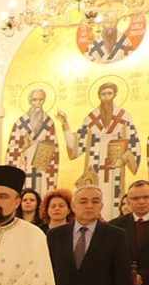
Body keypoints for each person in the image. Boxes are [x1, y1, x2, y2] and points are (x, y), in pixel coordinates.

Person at [58, 81, 141, 219]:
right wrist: (65, 124)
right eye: (103, 94)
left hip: (115, 170)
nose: (107, 97)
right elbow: (77, 147)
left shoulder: (124, 117)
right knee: (93, 198)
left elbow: (133, 143)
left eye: (109, 94)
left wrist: (123, 159)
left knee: (114, 200)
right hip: (94, 169)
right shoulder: (91, 119)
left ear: (115, 95)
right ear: (99, 96)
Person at [6, 88, 60, 196]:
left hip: (41, 165)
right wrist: (23, 147)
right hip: (24, 163)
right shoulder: (20, 123)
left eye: (41, 100)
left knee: (40, 187)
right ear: (30, 101)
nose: (38, 103)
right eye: (35, 100)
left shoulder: (48, 122)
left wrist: (39, 151)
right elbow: (12, 149)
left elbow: (52, 146)